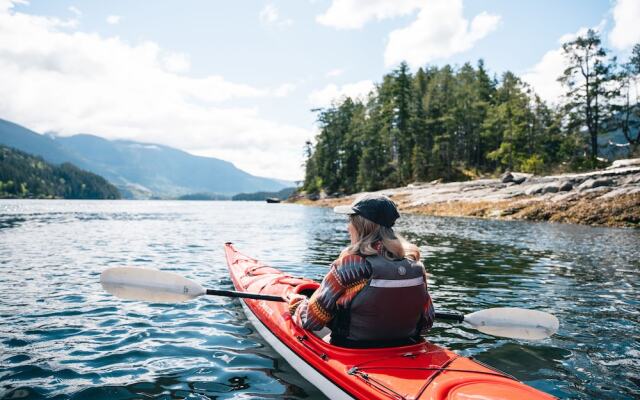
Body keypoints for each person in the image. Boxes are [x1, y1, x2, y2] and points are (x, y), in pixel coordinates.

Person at [288, 194, 435, 348]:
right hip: (405, 346)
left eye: (349, 220)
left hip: (353, 349)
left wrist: (295, 304)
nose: (347, 227)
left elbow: (311, 320)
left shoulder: (349, 265)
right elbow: (427, 322)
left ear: (359, 225)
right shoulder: (416, 265)